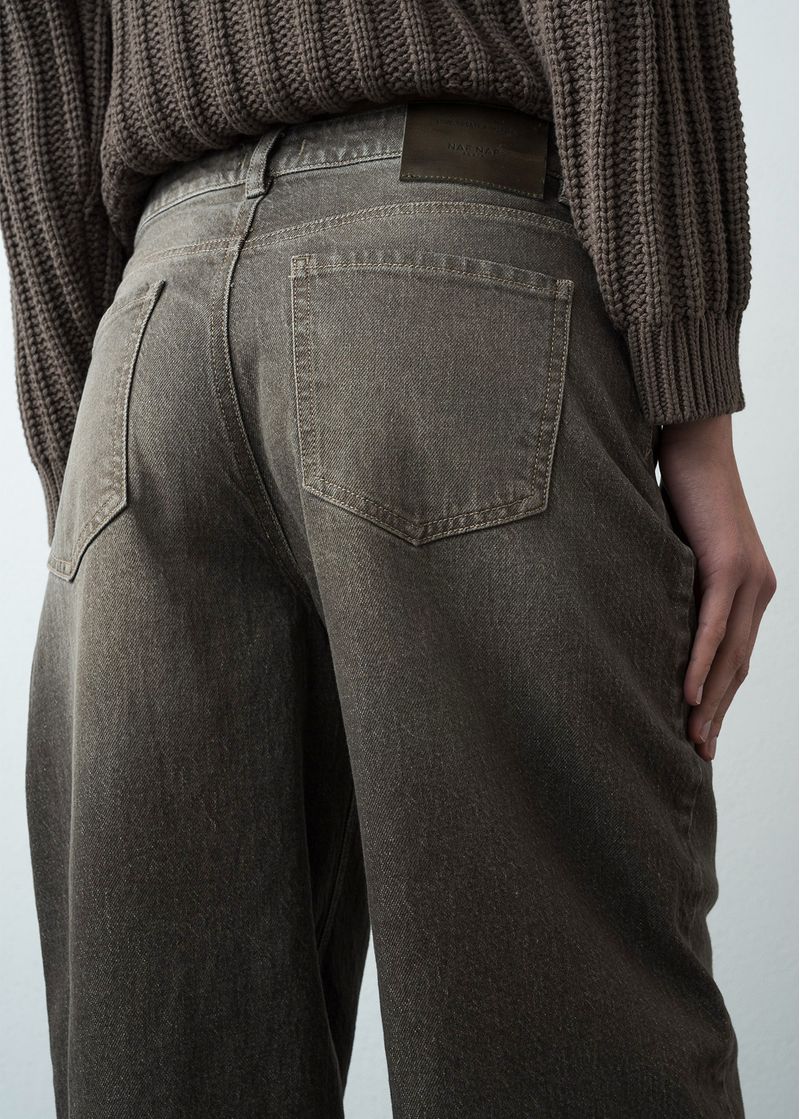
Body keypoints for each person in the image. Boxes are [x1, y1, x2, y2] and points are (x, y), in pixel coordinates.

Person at [0, 3, 776, 1117]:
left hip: (146, 342)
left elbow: (38, 53)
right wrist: (692, 404)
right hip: (444, 267)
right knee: (565, 1049)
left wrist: (85, 462)